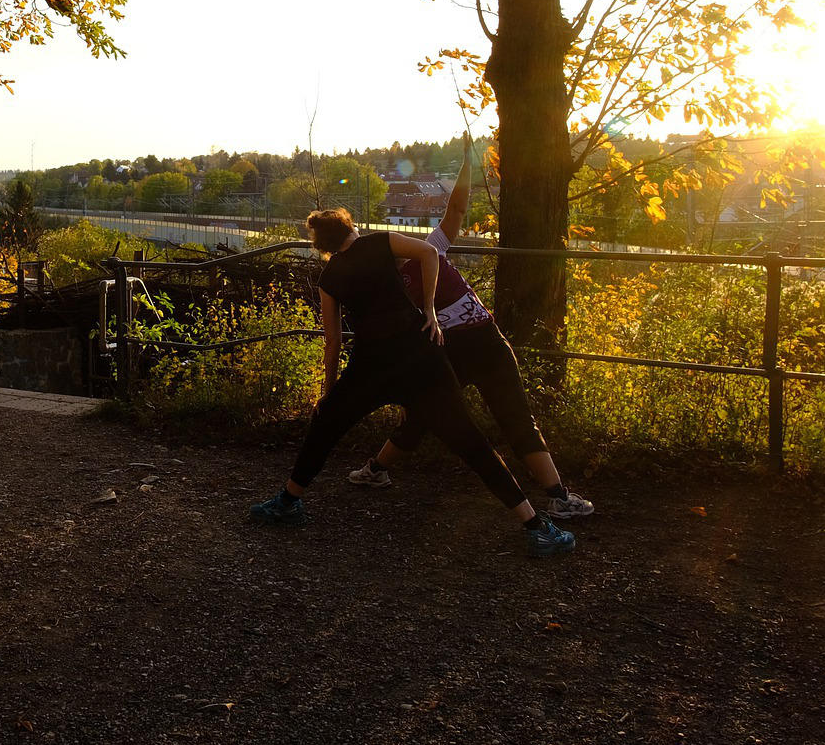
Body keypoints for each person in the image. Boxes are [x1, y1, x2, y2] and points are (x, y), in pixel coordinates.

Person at [248, 207, 576, 558]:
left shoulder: (329, 276)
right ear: (350, 227)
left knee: (324, 427)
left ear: (322, 245)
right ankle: (536, 527)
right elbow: (429, 252)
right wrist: (430, 310)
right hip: (420, 358)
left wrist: (328, 393)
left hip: (371, 366)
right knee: (471, 442)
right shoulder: (379, 242)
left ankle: (288, 501)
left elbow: (333, 343)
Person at [345, 143, 594, 520]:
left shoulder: (389, 283)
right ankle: (558, 496)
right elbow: (456, 209)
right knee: (515, 418)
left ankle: (375, 472)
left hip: (447, 350)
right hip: (484, 338)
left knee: (424, 414)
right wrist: (467, 165)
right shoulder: (428, 251)